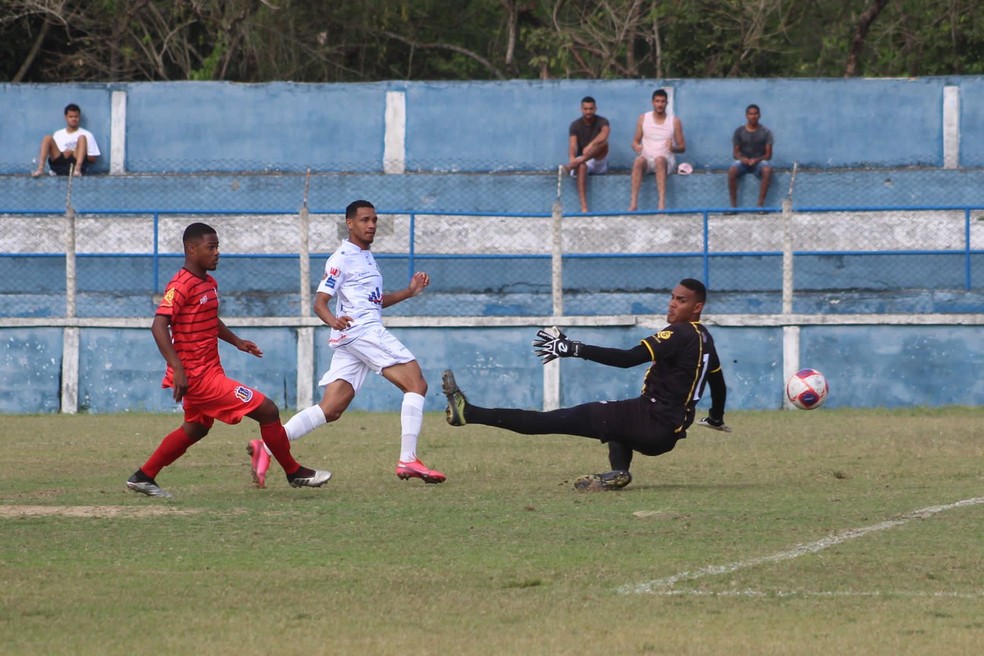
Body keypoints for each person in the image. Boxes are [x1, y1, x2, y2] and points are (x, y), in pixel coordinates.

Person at [441, 279, 729, 491]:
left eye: (681, 300)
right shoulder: (705, 339)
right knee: (616, 417)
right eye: (672, 297)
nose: (672, 303)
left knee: (552, 420)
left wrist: (573, 348)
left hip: (651, 421)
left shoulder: (678, 333)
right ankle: (618, 473)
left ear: (697, 307)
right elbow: (718, 384)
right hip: (666, 432)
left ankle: (469, 413)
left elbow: (628, 359)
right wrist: (716, 418)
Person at [248, 200, 445, 487]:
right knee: (416, 384)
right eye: (365, 220)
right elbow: (320, 303)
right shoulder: (341, 258)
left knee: (331, 409)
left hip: (353, 336)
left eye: (374, 220)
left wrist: (409, 292)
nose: (371, 225)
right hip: (361, 332)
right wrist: (333, 320)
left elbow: (374, 302)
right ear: (350, 223)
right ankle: (408, 459)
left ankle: (264, 447)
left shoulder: (366, 257)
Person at [126, 222, 331, 498]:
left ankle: (143, 476)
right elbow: (159, 325)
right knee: (268, 410)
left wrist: (237, 341)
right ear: (191, 248)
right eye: (211, 247)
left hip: (209, 370)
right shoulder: (181, 284)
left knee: (196, 428)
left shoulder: (209, 283)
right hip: (199, 377)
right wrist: (177, 368)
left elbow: (209, 318)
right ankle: (293, 471)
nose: (217, 252)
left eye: (217, 246)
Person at [629, 89, 685, 211]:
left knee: (660, 160)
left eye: (662, 102)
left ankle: (661, 204)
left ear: (667, 103)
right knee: (638, 161)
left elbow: (682, 147)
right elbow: (634, 141)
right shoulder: (643, 118)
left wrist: (673, 148)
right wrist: (636, 146)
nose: (660, 104)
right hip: (647, 160)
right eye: (657, 101)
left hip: (666, 162)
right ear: (652, 102)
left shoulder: (674, 121)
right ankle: (633, 204)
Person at [566, 96, 610, 213]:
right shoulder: (575, 125)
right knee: (581, 166)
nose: (588, 112)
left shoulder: (602, 121)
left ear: (595, 109)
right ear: (581, 109)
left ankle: (581, 160)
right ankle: (584, 207)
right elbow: (572, 145)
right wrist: (571, 157)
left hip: (597, 161)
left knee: (603, 144)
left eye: (591, 109)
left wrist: (591, 145)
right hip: (583, 164)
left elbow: (605, 134)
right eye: (586, 109)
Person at [31, 103, 101, 177]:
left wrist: (73, 152)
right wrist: (64, 153)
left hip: (76, 162)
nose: (73, 119)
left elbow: (93, 159)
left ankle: (77, 170)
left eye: (76, 117)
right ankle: (40, 169)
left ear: (79, 117)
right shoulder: (58, 134)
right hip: (60, 164)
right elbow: (53, 155)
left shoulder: (88, 135)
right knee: (47, 138)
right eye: (71, 117)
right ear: (66, 117)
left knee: (82, 138)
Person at [728, 104, 774, 209]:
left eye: (755, 114)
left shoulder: (766, 132)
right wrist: (742, 159)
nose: (753, 116)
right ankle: (733, 207)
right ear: (746, 115)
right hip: (743, 162)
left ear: (759, 115)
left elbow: (769, 155)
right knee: (732, 170)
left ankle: (760, 206)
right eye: (750, 114)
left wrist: (756, 160)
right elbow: (735, 154)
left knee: (767, 170)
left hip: (759, 162)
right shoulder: (739, 131)